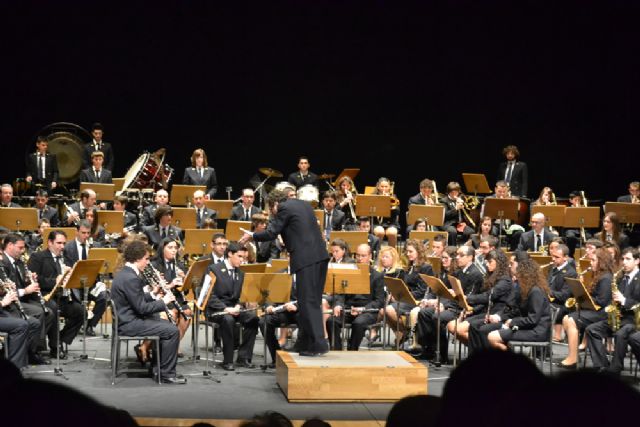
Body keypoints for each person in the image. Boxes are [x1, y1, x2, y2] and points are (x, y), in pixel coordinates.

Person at [240, 189, 330, 356]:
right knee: (311, 301)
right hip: (320, 256)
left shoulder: (284, 208)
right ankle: (304, 342)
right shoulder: (304, 205)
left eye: (271, 210)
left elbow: (271, 232)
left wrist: (252, 235)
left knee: (307, 301)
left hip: (306, 259)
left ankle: (319, 344)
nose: (272, 214)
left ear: (275, 204)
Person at [110, 239, 184, 384]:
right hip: (129, 323)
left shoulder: (125, 273)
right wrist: (164, 303)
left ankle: (157, 368)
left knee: (163, 322)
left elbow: (135, 298)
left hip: (126, 318)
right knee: (172, 330)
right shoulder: (131, 278)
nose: (148, 262)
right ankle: (167, 374)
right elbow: (141, 308)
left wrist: (153, 293)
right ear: (137, 259)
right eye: (146, 259)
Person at [27, 230, 84, 359]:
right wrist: (55, 281)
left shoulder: (67, 258)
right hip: (44, 296)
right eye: (59, 243)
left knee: (80, 311)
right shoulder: (38, 257)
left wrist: (71, 277)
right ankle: (55, 346)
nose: (62, 247)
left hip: (62, 296)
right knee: (53, 308)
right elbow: (35, 279)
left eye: (64, 243)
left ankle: (61, 339)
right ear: (50, 243)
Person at [585, 247, 639, 374]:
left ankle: (615, 369)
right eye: (623, 259)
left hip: (633, 320)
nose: (624, 262)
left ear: (637, 261)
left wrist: (624, 300)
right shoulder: (620, 277)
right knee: (592, 329)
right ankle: (602, 366)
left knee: (620, 333)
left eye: (628, 259)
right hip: (619, 317)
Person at [205, 242, 259, 370]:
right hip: (216, 310)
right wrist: (225, 308)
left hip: (234, 309)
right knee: (228, 320)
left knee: (253, 318)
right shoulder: (213, 269)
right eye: (239, 256)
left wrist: (239, 306)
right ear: (230, 254)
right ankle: (228, 360)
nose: (242, 260)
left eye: (244, 258)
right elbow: (208, 295)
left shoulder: (240, 273)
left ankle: (243, 357)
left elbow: (241, 296)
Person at [557, 247, 613, 369]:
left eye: (593, 260)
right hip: (595, 311)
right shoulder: (599, 275)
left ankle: (573, 359)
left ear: (601, 261)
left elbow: (602, 301)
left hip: (602, 314)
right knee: (566, 318)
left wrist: (585, 296)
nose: (590, 263)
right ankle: (572, 355)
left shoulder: (606, 278)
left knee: (571, 320)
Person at [1, 233, 53, 364]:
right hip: (9, 304)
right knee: (39, 313)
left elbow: (16, 284)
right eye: (20, 247)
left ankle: (31, 349)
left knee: (49, 313)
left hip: (18, 299)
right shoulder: (4, 264)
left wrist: (29, 280)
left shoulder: (18, 262)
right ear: (10, 246)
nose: (22, 250)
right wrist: (25, 290)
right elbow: (6, 292)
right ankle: (31, 353)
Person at [326, 243, 385, 351]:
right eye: (358, 255)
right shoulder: (349, 272)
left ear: (370, 256)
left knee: (358, 323)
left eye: (363, 256)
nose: (360, 258)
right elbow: (341, 293)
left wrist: (362, 309)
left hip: (368, 310)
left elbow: (379, 301)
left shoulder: (377, 276)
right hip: (349, 307)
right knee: (331, 320)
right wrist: (338, 305)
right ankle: (336, 350)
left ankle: (352, 350)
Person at [448, 249, 512, 347]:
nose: (487, 264)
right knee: (454, 327)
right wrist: (472, 309)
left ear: (499, 263)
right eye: (486, 262)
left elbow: (488, 296)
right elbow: (483, 298)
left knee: (462, 329)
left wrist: (466, 298)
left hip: (496, 314)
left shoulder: (505, 280)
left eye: (490, 262)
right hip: (485, 312)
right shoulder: (490, 276)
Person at [487, 258, 552, 350]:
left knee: (493, 337)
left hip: (537, 332)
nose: (517, 277)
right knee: (493, 334)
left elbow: (533, 319)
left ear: (525, 275)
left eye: (518, 275)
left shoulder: (536, 291)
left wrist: (512, 322)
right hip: (531, 328)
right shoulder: (530, 289)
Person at [63, 220, 108, 337]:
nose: (86, 236)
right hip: (74, 284)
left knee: (105, 297)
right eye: (83, 233)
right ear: (76, 232)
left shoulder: (96, 246)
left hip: (92, 283)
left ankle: (89, 325)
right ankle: (77, 323)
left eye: (88, 233)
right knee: (74, 299)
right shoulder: (67, 247)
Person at [548, 244, 578, 341]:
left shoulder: (571, 272)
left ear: (565, 258)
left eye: (557, 257)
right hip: (553, 300)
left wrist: (548, 292)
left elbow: (564, 295)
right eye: (553, 256)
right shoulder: (553, 268)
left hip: (563, 305)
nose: (553, 259)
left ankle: (553, 336)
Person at [441, 182, 474, 246]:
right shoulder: (444, 201)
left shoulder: (460, 199)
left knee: (471, 231)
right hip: (448, 223)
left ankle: (463, 247)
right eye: (452, 192)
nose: (454, 194)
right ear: (448, 192)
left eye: (456, 192)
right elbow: (445, 215)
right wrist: (456, 209)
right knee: (453, 232)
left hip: (459, 224)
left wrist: (464, 206)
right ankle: (452, 248)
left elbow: (466, 213)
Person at [372, 177, 401, 248]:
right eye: (382, 186)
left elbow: (397, 212)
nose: (384, 189)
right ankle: (377, 252)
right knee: (380, 232)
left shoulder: (393, 197)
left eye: (386, 186)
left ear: (389, 188)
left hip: (390, 223)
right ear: (378, 187)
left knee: (392, 232)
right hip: (376, 223)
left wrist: (389, 203)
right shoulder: (373, 196)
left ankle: (392, 254)